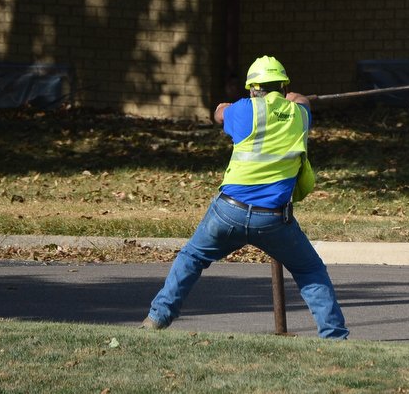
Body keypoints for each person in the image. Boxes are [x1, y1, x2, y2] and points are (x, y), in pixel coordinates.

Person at [141, 55, 348, 339]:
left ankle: (157, 319)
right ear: (284, 87)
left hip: (228, 212)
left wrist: (232, 104)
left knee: (191, 257)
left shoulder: (242, 111)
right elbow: (302, 102)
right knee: (310, 270)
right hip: (274, 219)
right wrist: (296, 98)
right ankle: (335, 337)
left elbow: (219, 111)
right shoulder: (299, 115)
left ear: (252, 88)